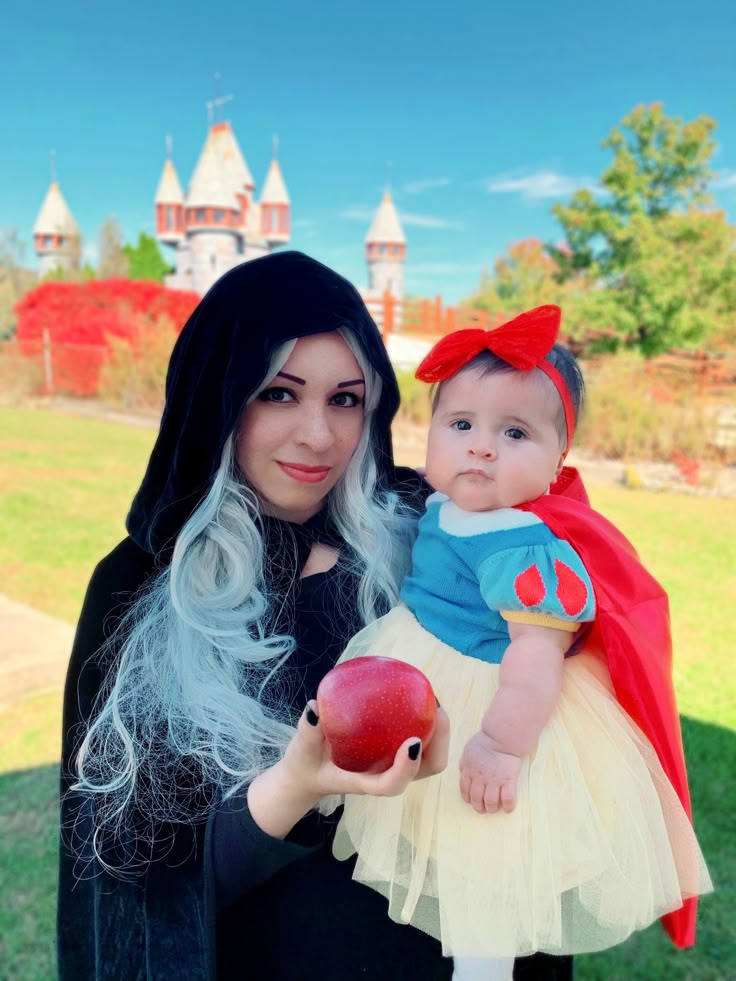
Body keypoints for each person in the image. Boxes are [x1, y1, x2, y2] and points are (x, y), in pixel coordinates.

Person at [57, 253, 573, 981]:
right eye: (278, 393)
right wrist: (298, 783)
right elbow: (140, 892)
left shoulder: (430, 541)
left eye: (345, 399)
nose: (319, 436)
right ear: (220, 396)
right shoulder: (137, 589)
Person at [329, 305, 713, 981]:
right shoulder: (448, 504)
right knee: (437, 829)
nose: (481, 445)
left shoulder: (524, 545)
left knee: (485, 855)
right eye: (461, 424)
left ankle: (484, 970)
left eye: (514, 431)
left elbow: (536, 655)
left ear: (556, 460)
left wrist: (502, 745)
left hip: (496, 705)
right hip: (432, 669)